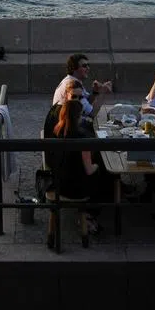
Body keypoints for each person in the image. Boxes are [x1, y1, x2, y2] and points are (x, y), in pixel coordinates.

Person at [47, 98, 103, 236]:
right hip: (75, 189)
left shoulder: (57, 131)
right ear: (77, 117)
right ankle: (91, 216)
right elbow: (89, 170)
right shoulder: (82, 138)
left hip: (58, 184)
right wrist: (97, 166)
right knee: (102, 174)